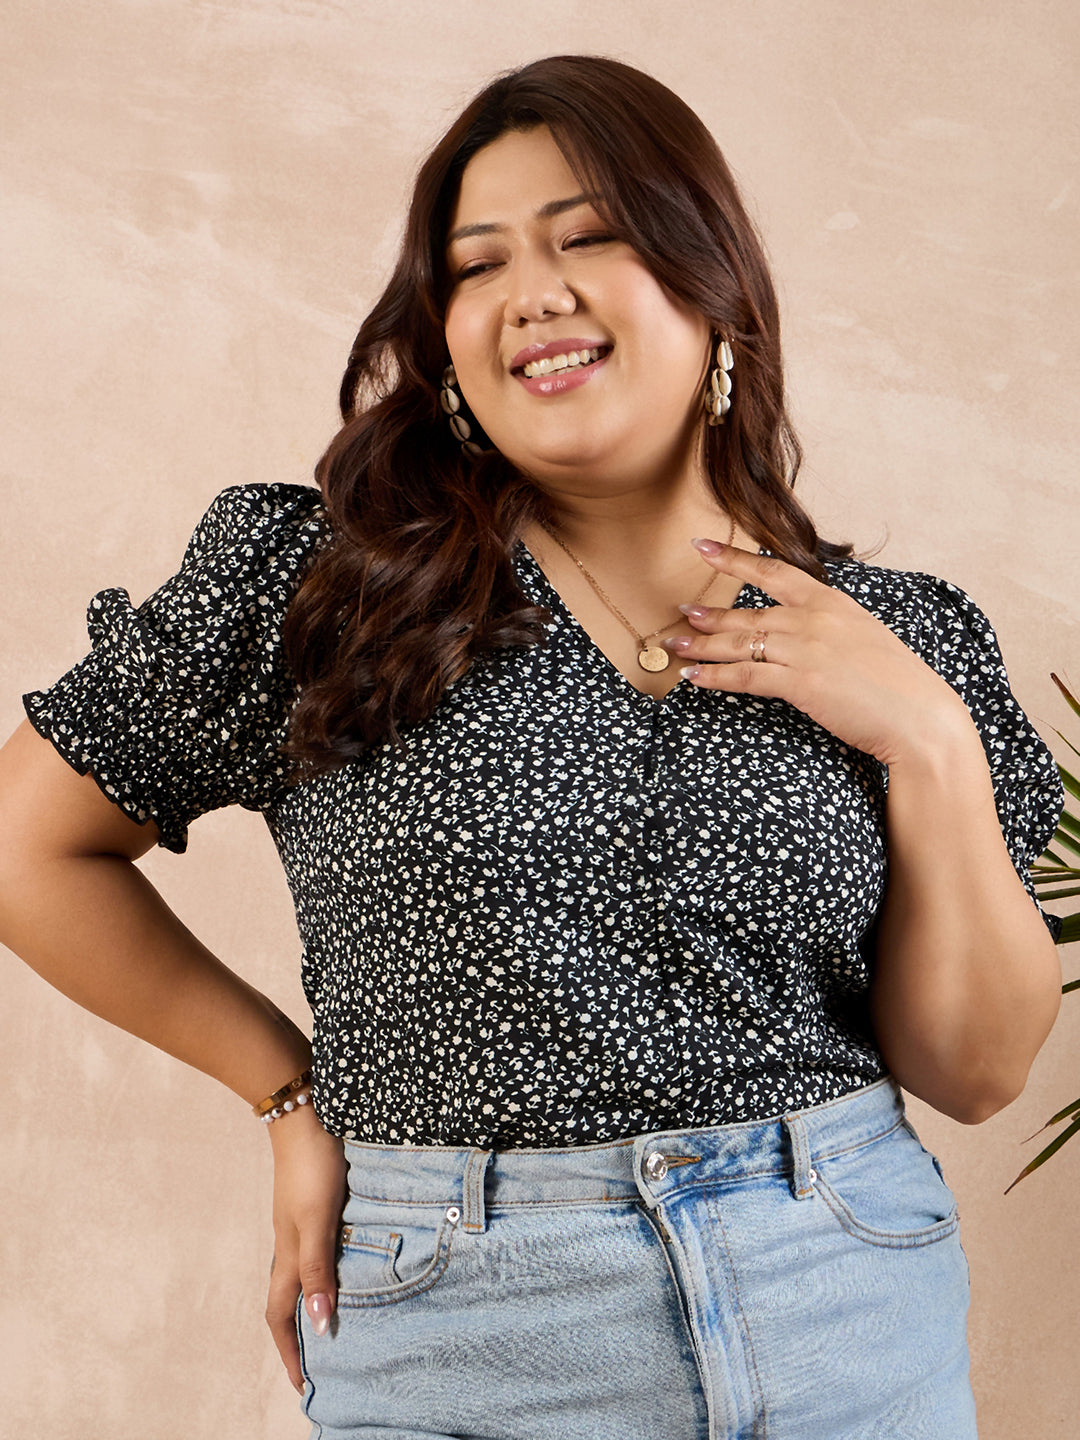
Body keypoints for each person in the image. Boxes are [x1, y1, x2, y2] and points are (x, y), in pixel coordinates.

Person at [0, 53, 1065, 1440]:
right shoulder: (324, 591)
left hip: (846, 1307)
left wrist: (926, 738)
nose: (532, 292)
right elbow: (26, 846)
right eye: (478, 263)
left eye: (587, 237)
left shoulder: (900, 638)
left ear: (714, 289)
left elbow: (976, 1073)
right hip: (463, 1327)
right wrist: (283, 1092)